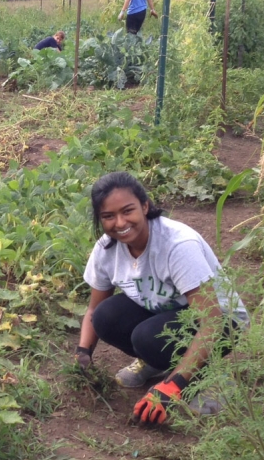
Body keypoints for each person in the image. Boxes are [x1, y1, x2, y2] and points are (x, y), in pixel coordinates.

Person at [74, 172, 248, 425]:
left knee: (147, 337)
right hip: (166, 312)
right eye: (108, 216)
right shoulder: (106, 248)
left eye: (127, 211)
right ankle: (156, 363)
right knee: (106, 316)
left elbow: (213, 323)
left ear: (145, 206)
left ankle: (212, 379)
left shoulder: (177, 245)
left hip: (222, 323)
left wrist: (172, 386)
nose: (120, 223)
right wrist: (82, 354)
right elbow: (93, 310)